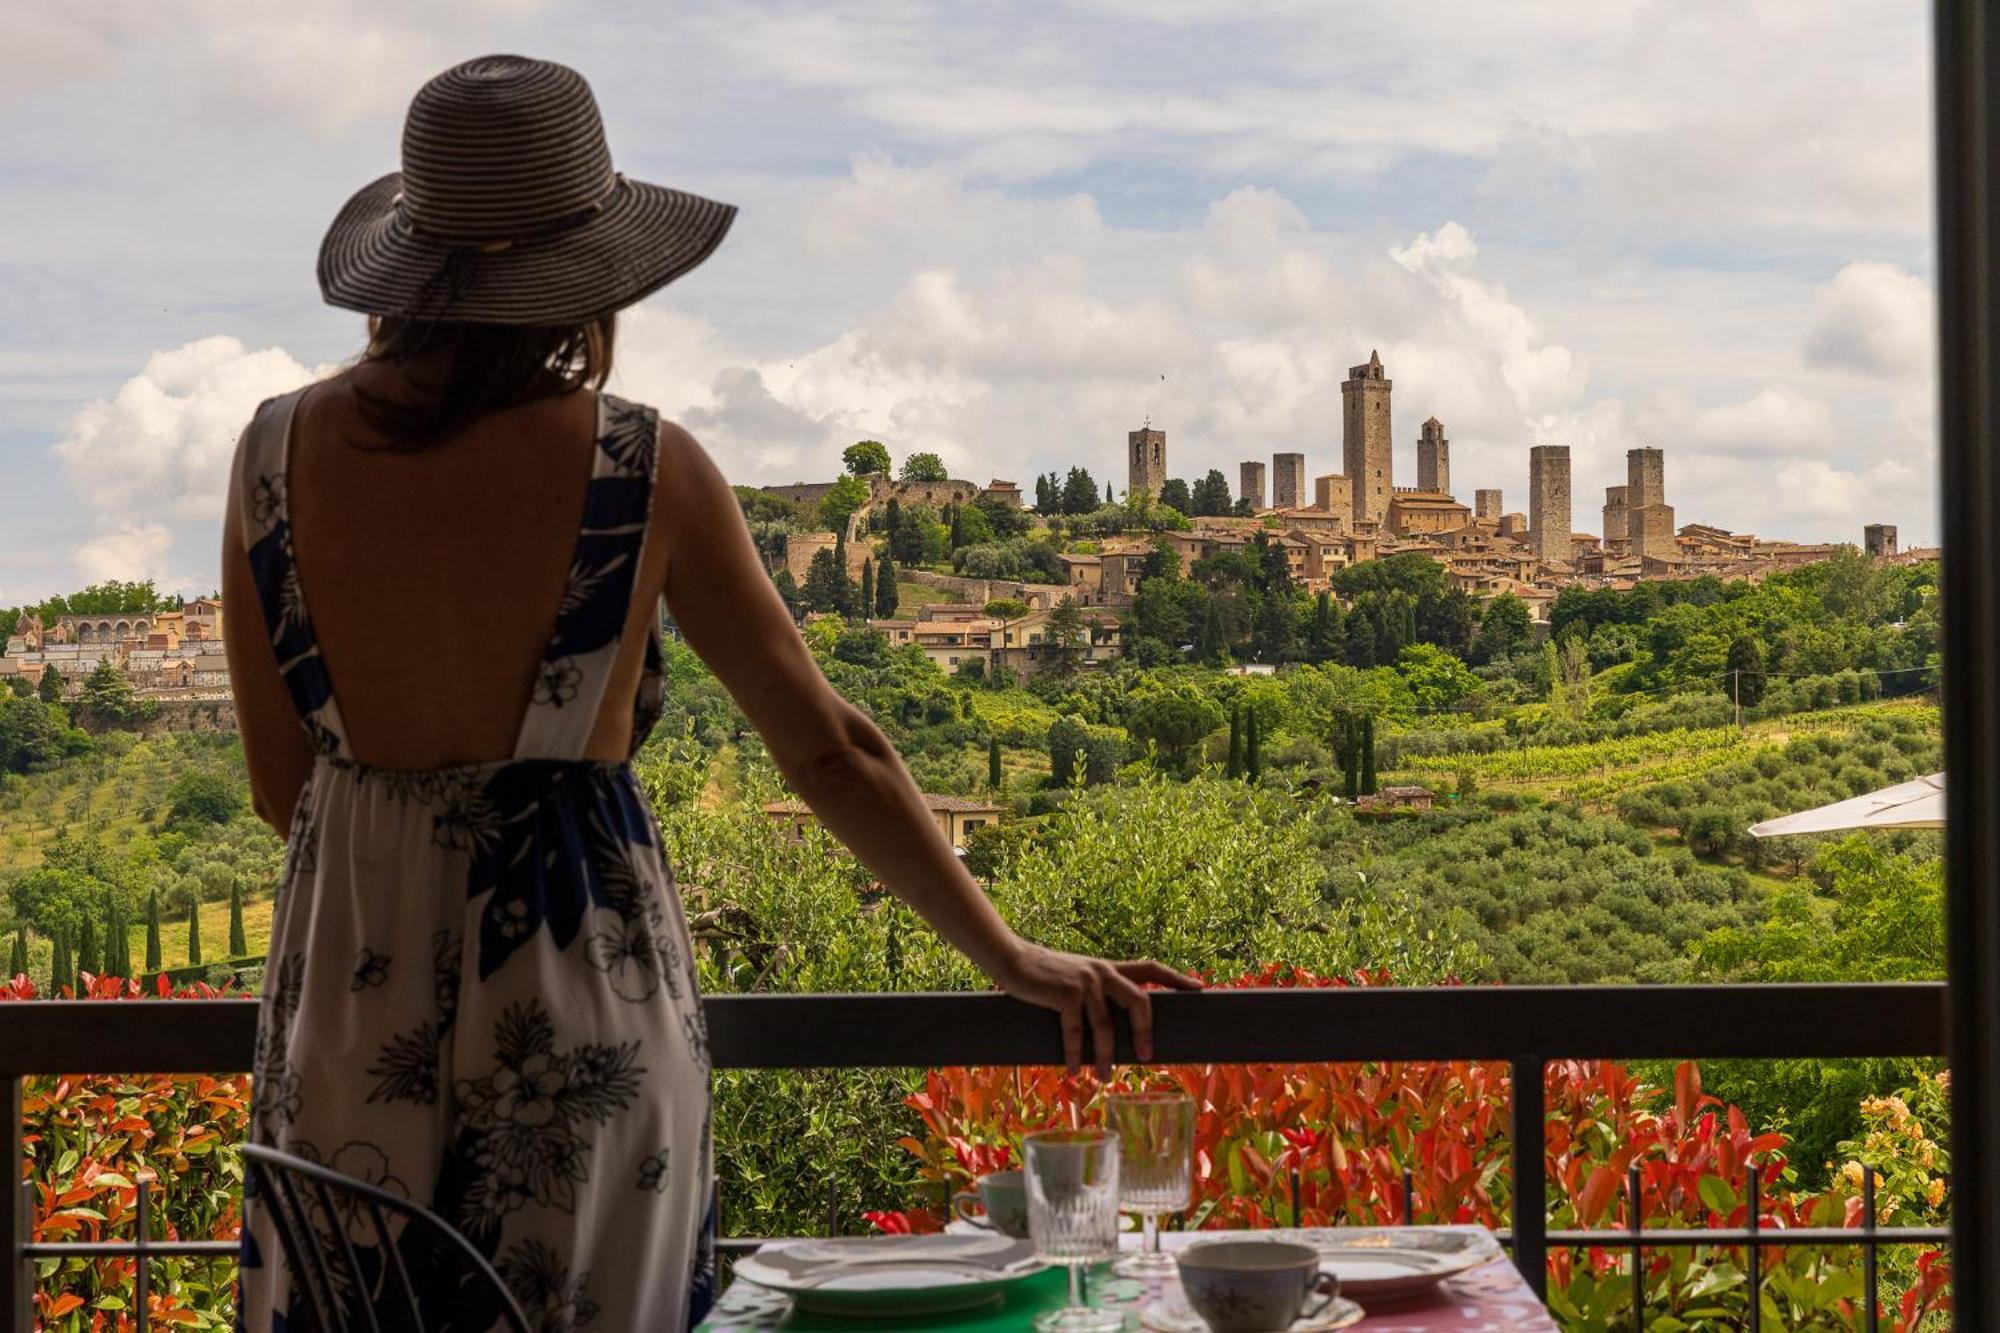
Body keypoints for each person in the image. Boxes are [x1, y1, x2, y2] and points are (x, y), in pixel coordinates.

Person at [224, 54, 1197, 1331]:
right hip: (580, 1017)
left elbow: (279, 784)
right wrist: (1003, 953)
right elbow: (832, 752)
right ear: (585, 276)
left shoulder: (273, 453)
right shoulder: (646, 468)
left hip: (349, 1011)